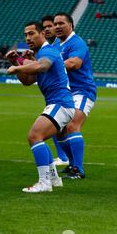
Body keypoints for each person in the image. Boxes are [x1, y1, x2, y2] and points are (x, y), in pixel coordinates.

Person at [5, 21, 74, 192]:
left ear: (42, 34)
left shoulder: (48, 51)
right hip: (57, 103)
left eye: (31, 33)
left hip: (61, 103)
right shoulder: (41, 54)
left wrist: (16, 67)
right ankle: (53, 178)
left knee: (34, 135)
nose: (28, 38)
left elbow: (42, 66)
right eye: (26, 35)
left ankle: (44, 183)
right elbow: (27, 81)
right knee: (38, 137)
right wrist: (16, 62)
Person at [53, 12, 97, 179]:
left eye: (61, 23)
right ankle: (72, 165)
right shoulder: (57, 43)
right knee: (58, 130)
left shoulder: (76, 42)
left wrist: (51, 65)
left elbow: (74, 63)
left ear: (71, 25)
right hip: (66, 92)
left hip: (82, 91)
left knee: (72, 125)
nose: (57, 26)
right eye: (55, 23)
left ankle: (78, 170)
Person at [41, 15, 70, 167]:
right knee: (57, 127)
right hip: (56, 96)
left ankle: (73, 163)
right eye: (44, 27)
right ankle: (66, 159)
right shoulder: (51, 48)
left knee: (38, 134)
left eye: (50, 26)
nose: (47, 29)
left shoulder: (56, 48)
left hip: (66, 95)